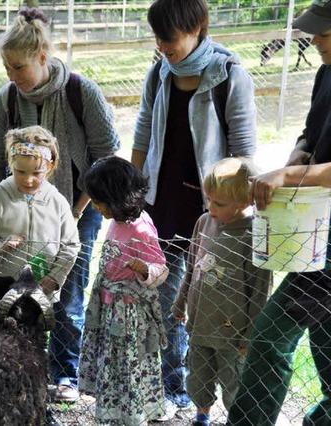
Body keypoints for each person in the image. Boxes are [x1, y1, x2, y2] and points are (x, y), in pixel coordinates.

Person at [0, 7, 119, 401]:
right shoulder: (4, 100)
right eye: (7, 67)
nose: (11, 75)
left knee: (66, 291)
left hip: (79, 209)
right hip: (18, 215)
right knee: (14, 291)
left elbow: (106, 154)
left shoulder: (81, 92)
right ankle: (21, 367)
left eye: (18, 67)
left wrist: (75, 209)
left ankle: (64, 375)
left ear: (43, 57)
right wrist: (3, 203)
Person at [132, 0, 257, 415]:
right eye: (158, 37)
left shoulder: (229, 74)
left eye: (170, 37)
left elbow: (243, 148)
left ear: (197, 29)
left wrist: (237, 202)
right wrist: (133, 192)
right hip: (163, 200)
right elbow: (144, 130)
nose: (162, 46)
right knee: (167, 295)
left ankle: (207, 386)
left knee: (205, 297)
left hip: (212, 208)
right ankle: (170, 383)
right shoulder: (160, 71)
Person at [228, 2, 331, 424]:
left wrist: (289, 175)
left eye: (323, 33)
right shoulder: (326, 73)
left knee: (271, 338)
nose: (315, 40)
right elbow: (312, 131)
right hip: (315, 227)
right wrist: (295, 157)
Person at [172, 158, 272, 426]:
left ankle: (236, 419)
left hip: (233, 333)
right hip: (200, 324)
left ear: (245, 202)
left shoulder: (254, 235)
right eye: (208, 200)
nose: (210, 208)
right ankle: (201, 416)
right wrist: (180, 303)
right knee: (197, 378)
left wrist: (249, 335)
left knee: (234, 384)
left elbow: (259, 290)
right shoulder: (204, 223)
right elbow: (191, 267)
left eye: (219, 203)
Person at [78, 156, 169, 424]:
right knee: (113, 364)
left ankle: (132, 415)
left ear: (117, 197)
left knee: (128, 366)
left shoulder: (140, 229)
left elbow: (161, 268)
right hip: (110, 309)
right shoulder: (118, 221)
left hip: (128, 314)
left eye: (98, 200)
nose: (95, 206)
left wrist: (144, 270)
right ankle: (115, 412)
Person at [0, 126, 80, 299]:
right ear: (11, 164)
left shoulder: (58, 202)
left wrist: (54, 277)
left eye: (37, 173)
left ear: (50, 167)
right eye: (20, 172)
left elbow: (71, 245)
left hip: (38, 295)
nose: (28, 180)